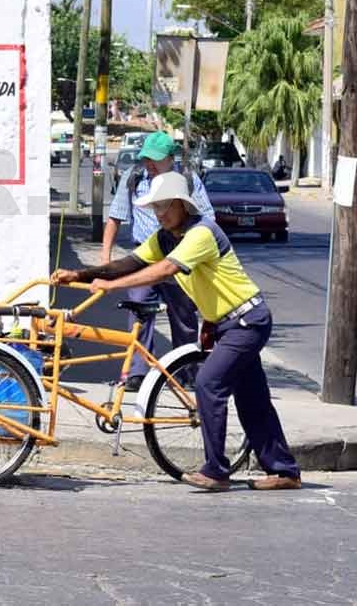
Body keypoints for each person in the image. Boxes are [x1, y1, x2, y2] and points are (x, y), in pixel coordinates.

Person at [52, 171, 301, 491]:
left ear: (183, 204)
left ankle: (216, 471)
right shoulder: (164, 236)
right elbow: (130, 263)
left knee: (209, 384)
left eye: (165, 206)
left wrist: (112, 286)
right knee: (253, 399)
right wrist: (79, 275)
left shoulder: (202, 233)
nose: (159, 213)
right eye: (155, 207)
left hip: (246, 321)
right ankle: (285, 471)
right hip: (226, 324)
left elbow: (166, 269)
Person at [104, 131, 213, 390]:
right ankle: (137, 374)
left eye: (155, 160)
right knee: (138, 308)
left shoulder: (188, 181)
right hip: (145, 255)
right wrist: (105, 259)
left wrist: (196, 251)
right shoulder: (134, 178)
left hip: (179, 256)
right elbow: (115, 217)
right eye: (146, 159)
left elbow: (209, 218)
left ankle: (186, 372)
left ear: (170, 159)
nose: (149, 165)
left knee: (183, 316)